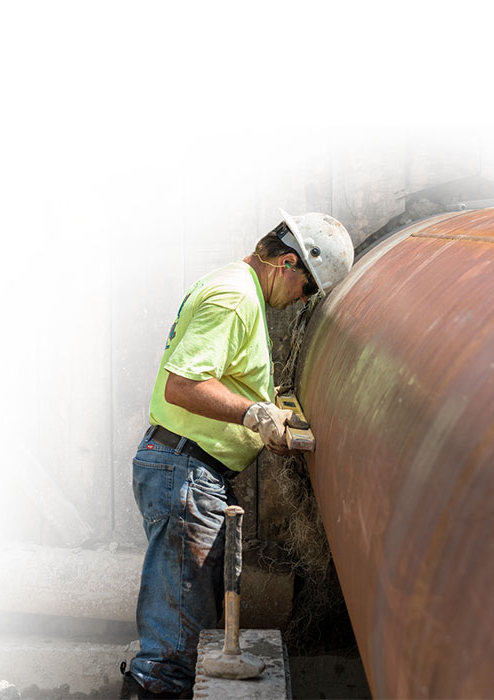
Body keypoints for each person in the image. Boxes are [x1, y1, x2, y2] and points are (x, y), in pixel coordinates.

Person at [123, 209, 354, 698]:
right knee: (174, 651)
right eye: (307, 289)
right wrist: (253, 414)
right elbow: (183, 386)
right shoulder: (235, 299)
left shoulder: (238, 286)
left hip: (186, 469)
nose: (301, 302)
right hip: (186, 470)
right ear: (288, 263)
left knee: (188, 628)